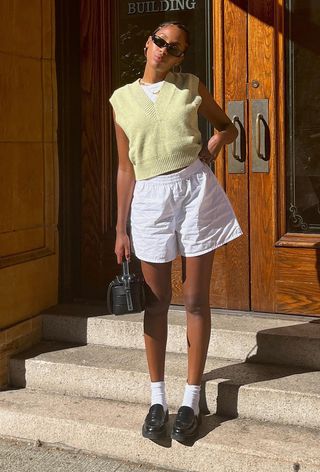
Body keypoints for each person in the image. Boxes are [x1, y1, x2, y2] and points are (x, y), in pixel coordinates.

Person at [109, 21, 242, 443]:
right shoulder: (121, 100)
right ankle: (157, 400)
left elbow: (227, 127)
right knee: (157, 304)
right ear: (148, 43)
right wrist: (120, 226)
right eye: (160, 41)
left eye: (175, 48)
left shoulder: (190, 86)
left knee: (196, 302)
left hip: (194, 192)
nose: (164, 50)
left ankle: (190, 399)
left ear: (182, 56)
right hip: (149, 199)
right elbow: (126, 167)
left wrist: (210, 151)